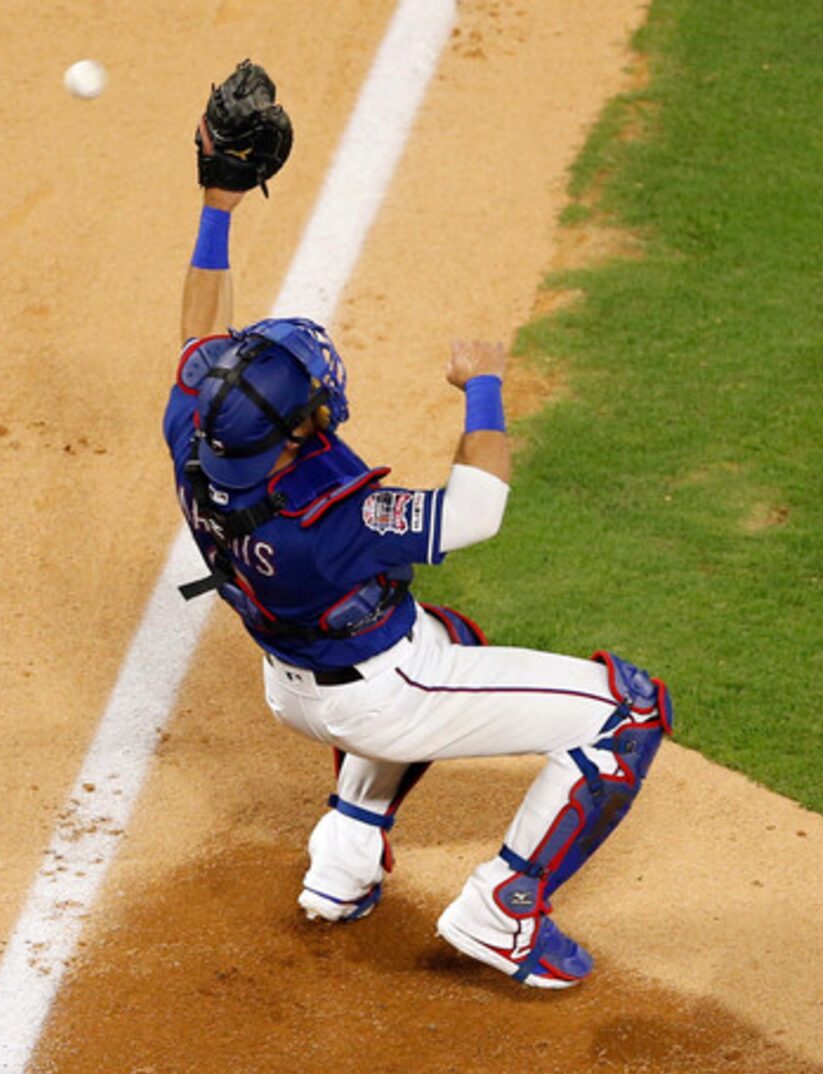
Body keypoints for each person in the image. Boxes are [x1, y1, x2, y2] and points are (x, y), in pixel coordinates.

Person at [169, 158, 673, 987]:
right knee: (628, 712)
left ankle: (345, 850)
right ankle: (505, 910)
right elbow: (477, 510)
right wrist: (484, 386)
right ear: (291, 432)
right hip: (381, 698)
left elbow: (199, 334)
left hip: (291, 685)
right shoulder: (328, 524)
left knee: (452, 634)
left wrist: (217, 202)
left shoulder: (194, 431)